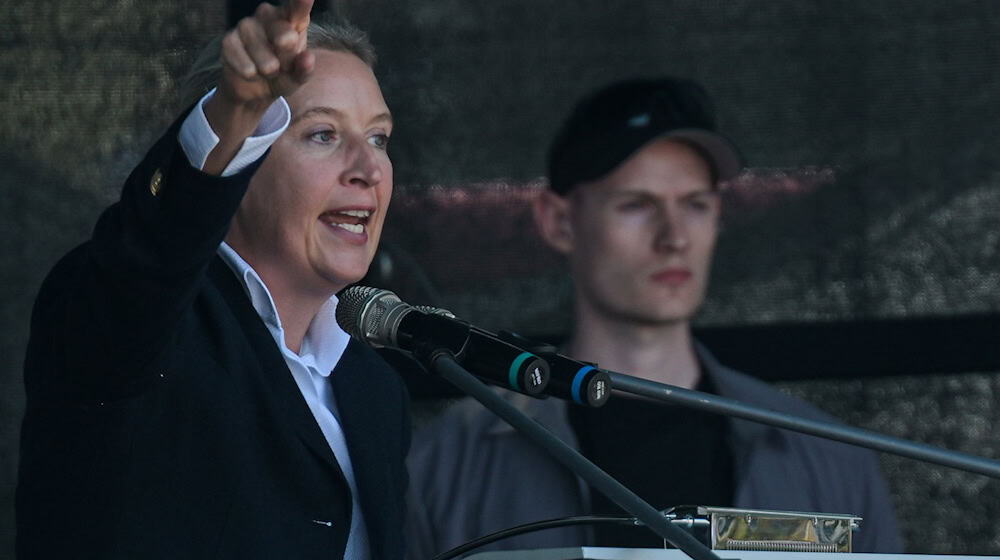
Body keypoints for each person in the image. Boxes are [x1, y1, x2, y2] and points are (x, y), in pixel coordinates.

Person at [405, 77, 903, 556]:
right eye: (637, 205)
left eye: (695, 204)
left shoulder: (831, 458)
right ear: (558, 221)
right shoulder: (445, 465)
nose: (674, 237)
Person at [16, 2, 409, 558]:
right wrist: (233, 110)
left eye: (379, 138)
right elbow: (146, 261)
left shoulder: (374, 389)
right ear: (240, 159)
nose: (367, 169)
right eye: (322, 134)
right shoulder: (147, 321)